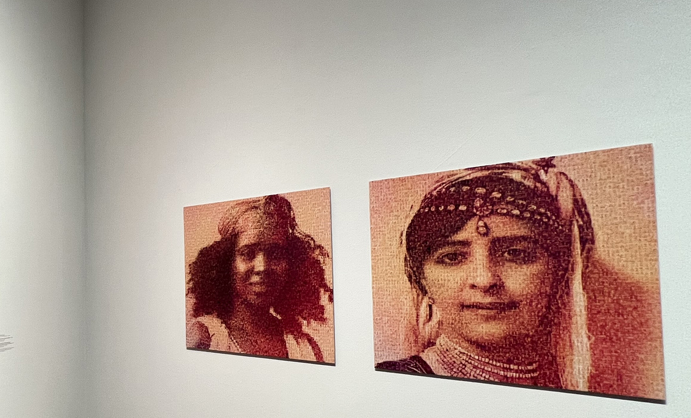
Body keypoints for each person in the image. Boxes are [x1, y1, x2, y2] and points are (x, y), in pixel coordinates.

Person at [376, 158, 594, 390]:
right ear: (422, 282)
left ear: (558, 274)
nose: (485, 280)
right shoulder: (388, 384)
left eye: (515, 253)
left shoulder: (564, 390)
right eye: (452, 257)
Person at [186, 194, 332, 362]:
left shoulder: (306, 348)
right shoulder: (205, 337)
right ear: (226, 263)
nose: (262, 267)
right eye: (248, 253)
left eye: (275, 254)